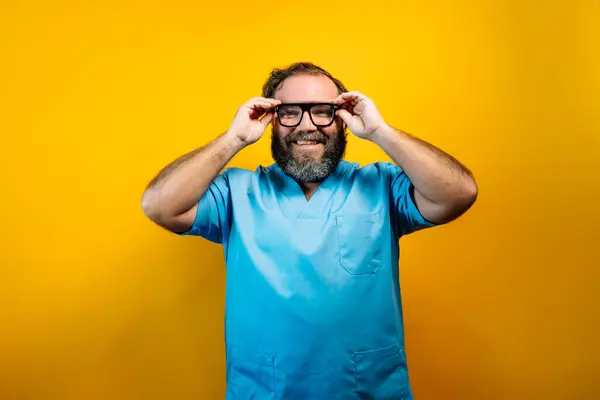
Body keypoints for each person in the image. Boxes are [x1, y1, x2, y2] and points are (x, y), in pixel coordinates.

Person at [141, 62, 478, 399]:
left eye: (322, 111)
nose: (307, 126)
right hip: (266, 390)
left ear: (344, 117)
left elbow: (458, 194)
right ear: (271, 121)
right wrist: (233, 140)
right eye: (290, 113)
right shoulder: (236, 192)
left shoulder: (382, 185)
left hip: (368, 390)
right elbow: (159, 205)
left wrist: (381, 132)